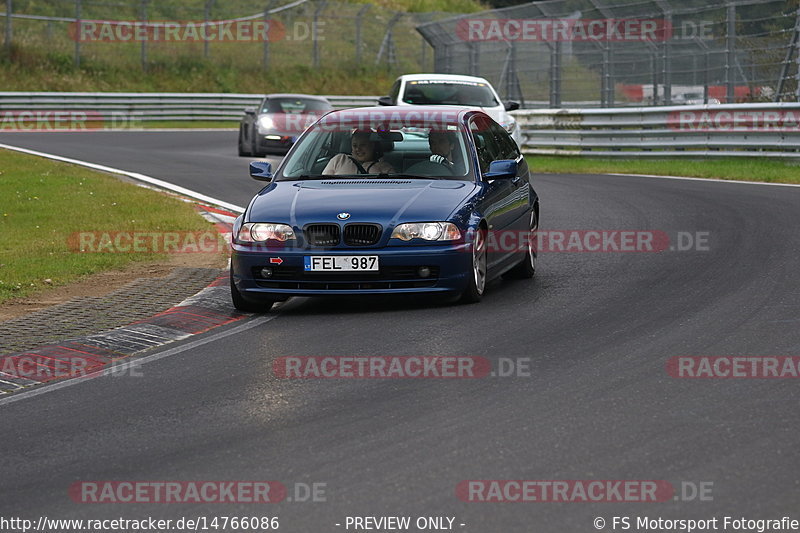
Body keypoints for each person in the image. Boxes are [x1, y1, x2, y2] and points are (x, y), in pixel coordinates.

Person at [323, 130, 395, 175]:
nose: (358, 149)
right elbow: (323, 184)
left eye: (363, 145)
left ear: (372, 146)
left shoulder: (385, 168)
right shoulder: (339, 160)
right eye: (354, 145)